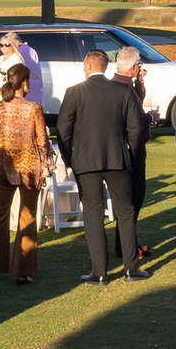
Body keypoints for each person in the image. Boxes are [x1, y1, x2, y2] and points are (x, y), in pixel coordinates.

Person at [56, 50, 148, 285]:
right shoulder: (123, 91)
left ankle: (100, 272)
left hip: (86, 162)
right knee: (125, 211)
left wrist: (70, 159)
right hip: (118, 159)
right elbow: (135, 130)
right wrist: (129, 154)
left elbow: (63, 131)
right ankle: (131, 268)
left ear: (88, 65)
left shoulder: (74, 92)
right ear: (105, 67)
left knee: (93, 214)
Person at [0, 65, 48, 283]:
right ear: (25, 82)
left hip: (5, 165)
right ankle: (22, 270)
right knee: (27, 215)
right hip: (29, 167)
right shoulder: (33, 109)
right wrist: (47, 164)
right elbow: (42, 141)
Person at [110, 46, 154, 259]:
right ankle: (126, 247)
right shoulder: (125, 89)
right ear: (134, 67)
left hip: (119, 149)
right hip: (131, 151)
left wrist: (140, 81)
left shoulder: (117, 85)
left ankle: (126, 244)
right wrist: (150, 118)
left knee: (129, 201)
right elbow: (135, 123)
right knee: (132, 199)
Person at [0, 31, 47, 110]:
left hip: (29, 91)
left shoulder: (25, 51)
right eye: (1, 44)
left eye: (7, 44)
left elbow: (22, 71)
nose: (4, 47)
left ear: (16, 42)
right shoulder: (3, 57)